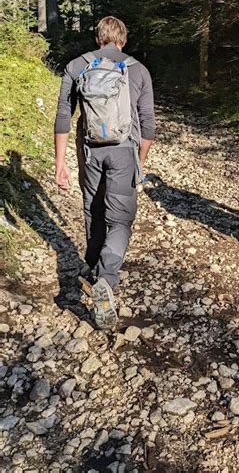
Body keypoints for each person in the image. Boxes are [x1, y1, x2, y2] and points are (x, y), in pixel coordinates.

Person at [54, 16, 155, 329]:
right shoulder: (138, 69)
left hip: (90, 154)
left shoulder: (76, 66)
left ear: (99, 39)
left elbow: (63, 118)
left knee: (94, 212)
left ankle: (94, 268)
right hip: (124, 152)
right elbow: (148, 125)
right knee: (120, 219)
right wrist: (139, 158)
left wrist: (60, 163)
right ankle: (106, 280)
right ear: (122, 40)